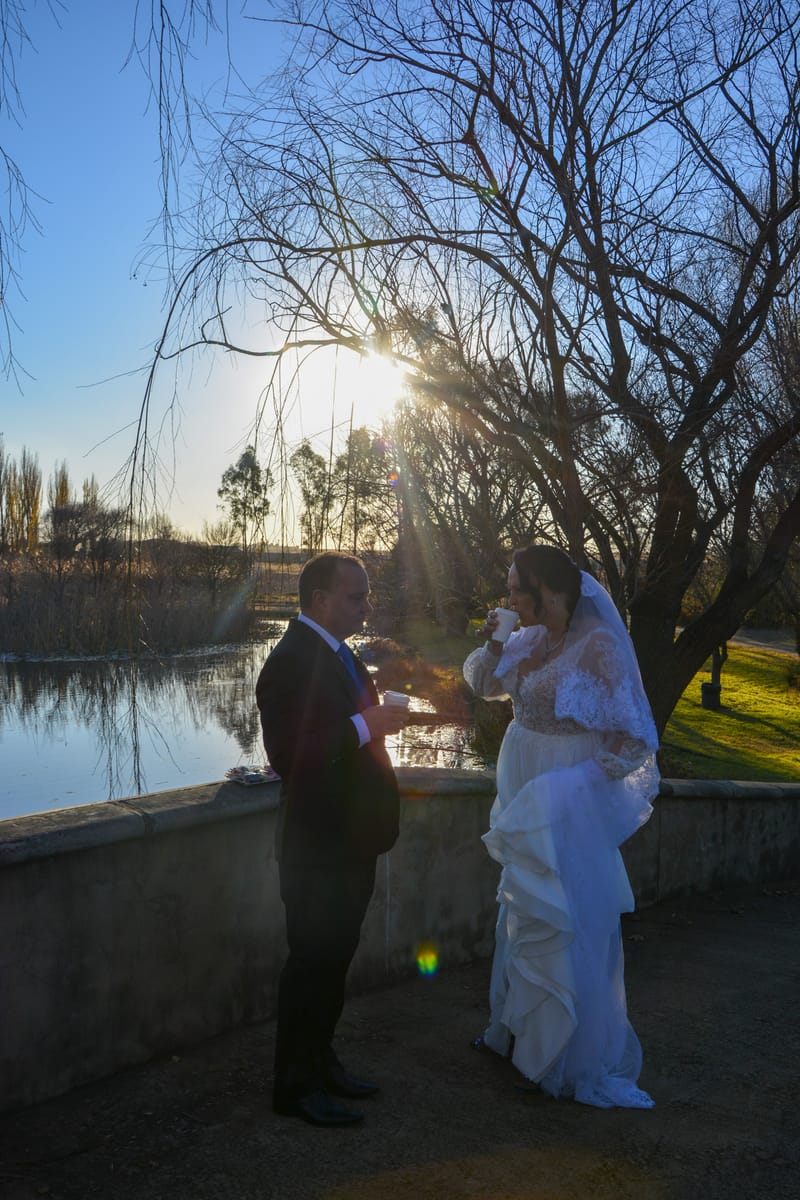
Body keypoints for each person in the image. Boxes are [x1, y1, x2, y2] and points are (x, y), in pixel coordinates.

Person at [463, 544, 659, 1109]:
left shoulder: (598, 646)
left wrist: (581, 784)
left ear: (547, 589)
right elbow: (483, 683)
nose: (508, 599)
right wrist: (496, 638)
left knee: (566, 910)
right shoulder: (525, 639)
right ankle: (516, 1032)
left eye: (514, 590)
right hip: (524, 784)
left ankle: (565, 1056)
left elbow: (636, 735)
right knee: (523, 904)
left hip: (567, 795)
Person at [256, 552, 409, 1127]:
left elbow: (349, 737)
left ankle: (322, 1063)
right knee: (311, 966)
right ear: (320, 598)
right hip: (318, 847)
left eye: (366, 596)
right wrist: (367, 725)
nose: (366, 606)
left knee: (334, 962)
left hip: (352, 840)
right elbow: (289, 755)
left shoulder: (340, 653)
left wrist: (375, 724)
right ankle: (294, 1087)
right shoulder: (289, 660)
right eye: (356, 596)